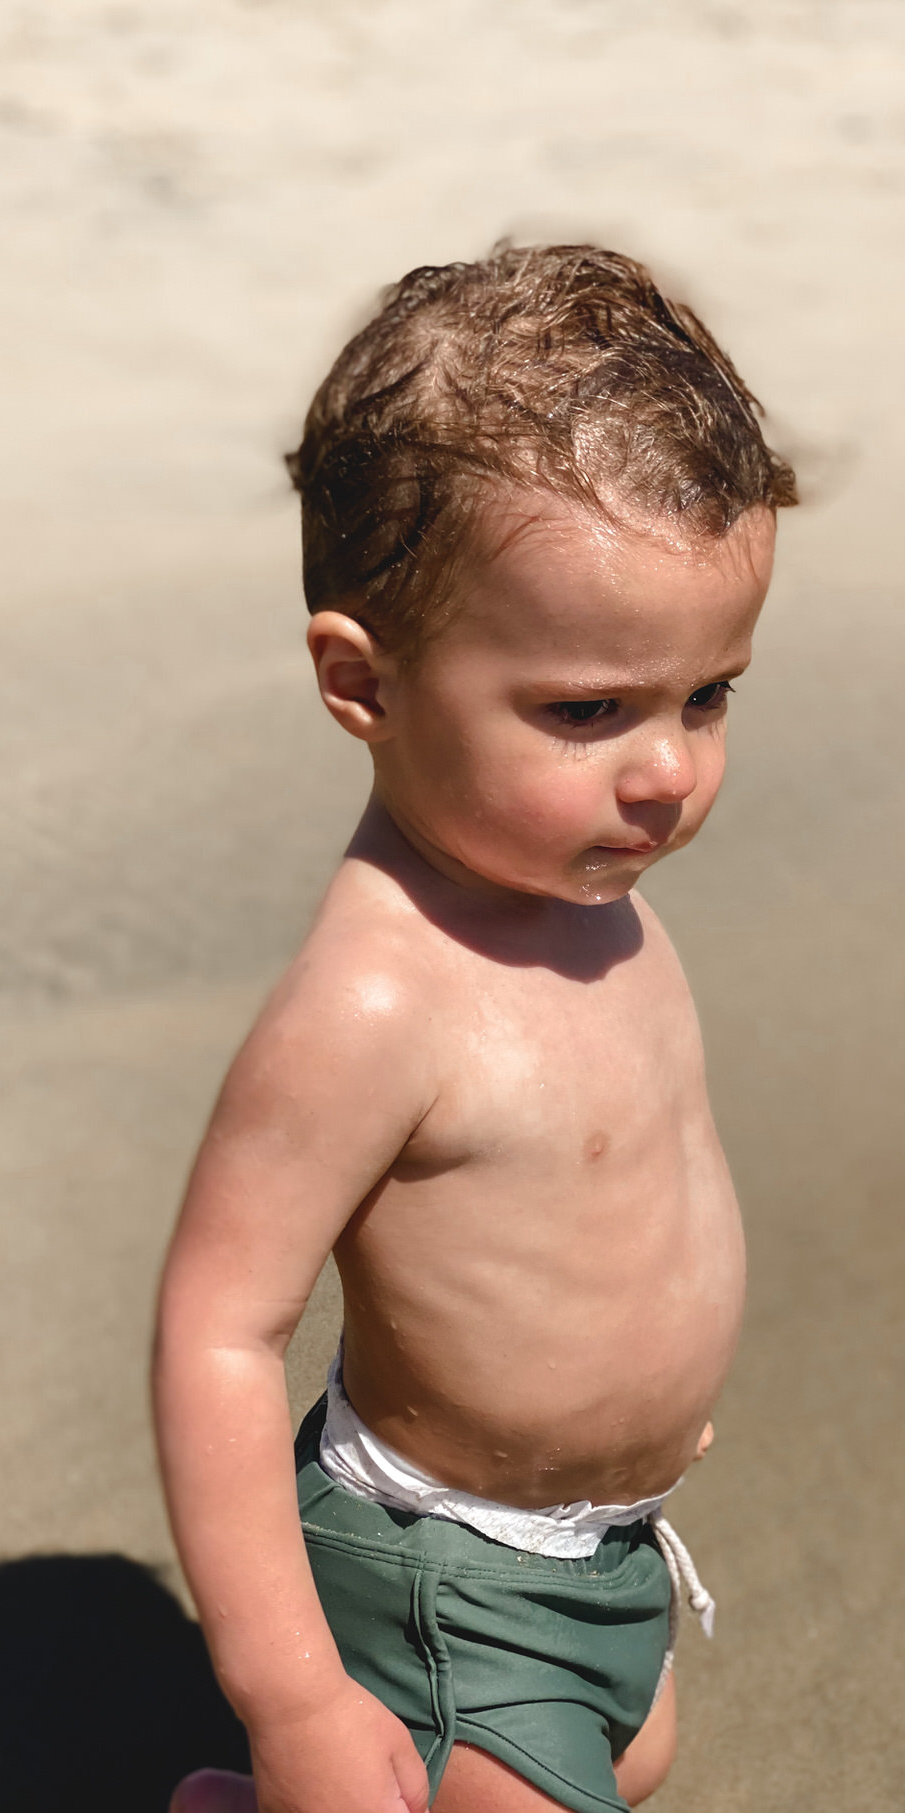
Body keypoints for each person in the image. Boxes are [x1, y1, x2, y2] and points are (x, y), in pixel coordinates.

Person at [152, 244, 797, 1813]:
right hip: (443, 1562)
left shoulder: (594, 899)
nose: (668, 772)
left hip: (603, 1545)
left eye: (707, 695)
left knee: (634, 1752)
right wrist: (294, 1692)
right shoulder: (379, 997)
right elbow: (219, 1330)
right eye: (587, 710)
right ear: (364, 684)